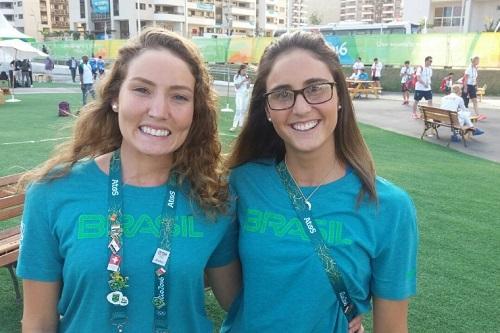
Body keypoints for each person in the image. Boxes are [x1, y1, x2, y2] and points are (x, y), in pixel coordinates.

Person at [16, 27, 241, 332]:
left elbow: (240, 305)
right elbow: (38, 321)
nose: (159, 111)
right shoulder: (52, 192)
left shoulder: (212, 196)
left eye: (179, 96)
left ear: (195, 111)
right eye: (142, 90)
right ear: (114, 98)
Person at [222, 31, 417, 333]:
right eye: (283, 94)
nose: (301, 108)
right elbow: (224, 285)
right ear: (267, 110)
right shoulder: (241, 183)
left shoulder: (389, 207)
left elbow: (392, 327)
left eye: (315, 89)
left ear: (339, 96)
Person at [230, 64, 251, 131]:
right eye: (244, 70)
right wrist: (243, 81)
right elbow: (237, 87)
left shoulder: (247, 76)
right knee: (238, 109)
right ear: (240, 70)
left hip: (246, 95)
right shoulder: (236, 76)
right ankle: (234, 126)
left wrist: (248, 83)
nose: (245, 72)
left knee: (243, 110)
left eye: (246, 70)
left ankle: (241, 124)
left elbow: (247, 87)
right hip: (239, 95)